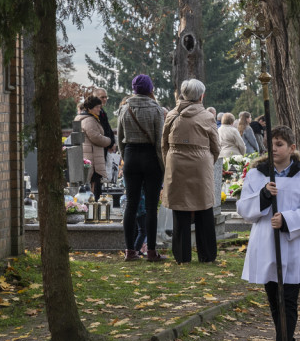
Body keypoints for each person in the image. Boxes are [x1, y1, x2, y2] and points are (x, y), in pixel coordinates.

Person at [239, 125, 300, 341]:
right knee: (275, 301)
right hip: (267, 245)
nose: (274, 149)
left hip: (292, 245)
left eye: (279, 145)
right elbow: (244, 209)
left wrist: (287, 220)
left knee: (288, 300)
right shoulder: (257, 175)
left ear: (292, 148)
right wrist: (264, 196)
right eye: (271, 144)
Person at [162, 79, 221, 264]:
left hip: (176, 162)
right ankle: (207, 254)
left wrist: (169, 163)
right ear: (201, 96)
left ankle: (182, 256)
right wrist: (208, 161)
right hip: (200, 163)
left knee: (180, 209)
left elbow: (163, 144)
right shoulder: (207, 117)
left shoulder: (171, 115)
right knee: (204, 207)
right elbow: (216, 146)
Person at [118, 74, 165, 262]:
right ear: (150, 89)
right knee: (151, 206)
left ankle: (130, 251)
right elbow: (160, 140)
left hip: (130, 154)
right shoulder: (156, 108)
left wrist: (126, 157)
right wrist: (162, 165)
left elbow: (119, 138)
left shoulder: (124, 108)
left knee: (131, 204)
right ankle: (151, 251)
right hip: (150, 156)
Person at [74, 97, 113, 201]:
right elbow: (96, 137)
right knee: (92, 185)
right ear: (90, 108)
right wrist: (109, 141)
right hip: (92, 156)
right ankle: (92, 206)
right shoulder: (89, 120)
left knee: (91, 183)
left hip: (91, 154)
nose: (99, 109)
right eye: (97, 107)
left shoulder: (88, 118)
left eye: (100, 107)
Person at [92, 88, 119, 184]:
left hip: (105, 146)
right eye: (102, 97)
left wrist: (112, 143)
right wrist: (110, 144)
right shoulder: (95, 113)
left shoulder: (102, 111)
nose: (105, 99)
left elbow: (108, 129)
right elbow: (101, 131)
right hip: (99, 148)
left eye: (106, 97)